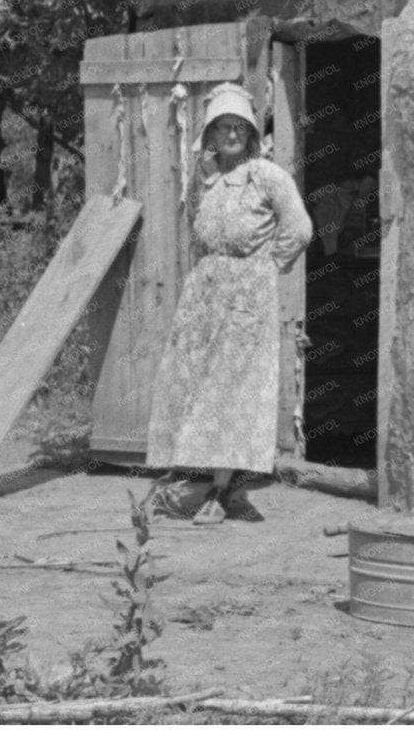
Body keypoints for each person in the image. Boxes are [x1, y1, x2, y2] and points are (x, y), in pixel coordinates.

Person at [144, 82, 311, 524]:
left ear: (252, 134)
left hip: (247, 296)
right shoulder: (208, 182)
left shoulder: (268, 175)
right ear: (211, 137)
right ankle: (196, 483)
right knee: (195, 386)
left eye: (240, 126)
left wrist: (264, 268)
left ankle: (222, 490)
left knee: (235, 392)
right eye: (223, 126)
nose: (232, 133)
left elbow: (300, 229)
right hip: (205, 295)